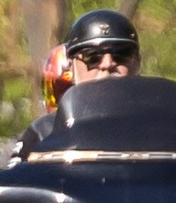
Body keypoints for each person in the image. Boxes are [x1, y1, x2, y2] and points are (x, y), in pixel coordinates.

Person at [16, 9, 141, 158]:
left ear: (138, 62)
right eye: (92, 56)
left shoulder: (163, 127)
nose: (107, 64)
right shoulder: (43, 133)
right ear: (72, 66)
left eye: (121, 54)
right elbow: (13, 179)